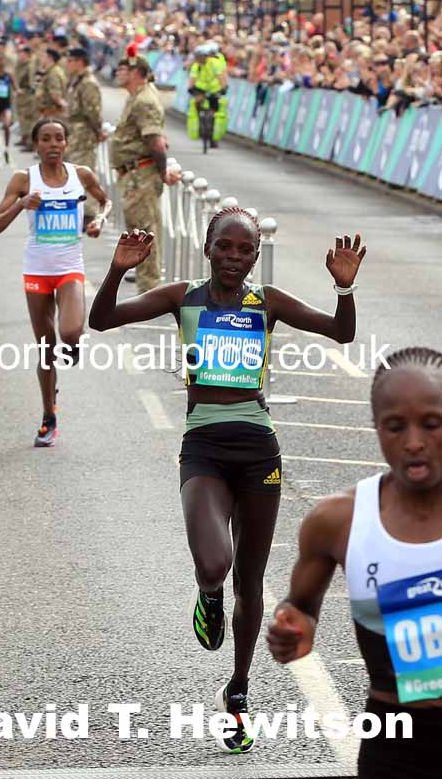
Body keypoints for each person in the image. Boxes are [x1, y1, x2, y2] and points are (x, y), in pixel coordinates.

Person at [89, 208, 366, 754]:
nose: (234, 259)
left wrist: (343, 287)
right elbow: (101, 321)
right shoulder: (181, 296)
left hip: (259, 448)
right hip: (205, 448)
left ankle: (238, 691)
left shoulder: (268, 303)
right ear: (209, 247)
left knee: (252, 582)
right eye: (225, 248)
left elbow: (341, 332)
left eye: (245, 250)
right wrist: (118, 270)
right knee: (215, 564)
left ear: (255, 255)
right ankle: (206, 594)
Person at [267, 346, 442, 778]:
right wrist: (292, 630)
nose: (414, 442)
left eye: (432, 424)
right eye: (395, 427)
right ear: (376, 428)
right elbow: (300, 608)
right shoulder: (338, 521)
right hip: (394, 741)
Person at [0, 118, 112, 447]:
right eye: (45, 139)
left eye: (59, 138)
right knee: (46, 350)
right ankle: (48, 416)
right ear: (37, 145)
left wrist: (98, 219)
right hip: (37, 270)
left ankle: (69, 347)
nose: (53, 144)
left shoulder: (80, 175)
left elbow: (105, 200)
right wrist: (20, 204)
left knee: (70, 333)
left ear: (66, 144)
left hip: (69, 267)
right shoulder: (23, 179)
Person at [111, 52, 179, 294]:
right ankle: (144, 277)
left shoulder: (144, 100)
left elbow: (155, 141)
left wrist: (163, 171)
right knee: (140, 228)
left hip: (141, 175)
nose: (118, 73)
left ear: (137, 73)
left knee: (145, 230)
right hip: (134, 173)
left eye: (123, 70)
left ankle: (149, 288)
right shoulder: (137, 97)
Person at [65, 46, 105, 227]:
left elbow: (93, 112)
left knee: (85, 171)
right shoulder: (78, 80)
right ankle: (80, 209)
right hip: (76, 131)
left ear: (80, 62)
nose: (68, 64)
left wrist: (98, 131)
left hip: (84, 132)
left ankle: (88, 213)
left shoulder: (88, 82)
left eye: (71, 61)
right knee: (75, 171)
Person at [35, 48, 67, 119]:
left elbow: (56, 95)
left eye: (44, 56)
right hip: (49, 112)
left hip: (52, 113)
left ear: (50, 58)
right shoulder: (51, 71)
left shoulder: (53, 74)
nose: (41, 59)